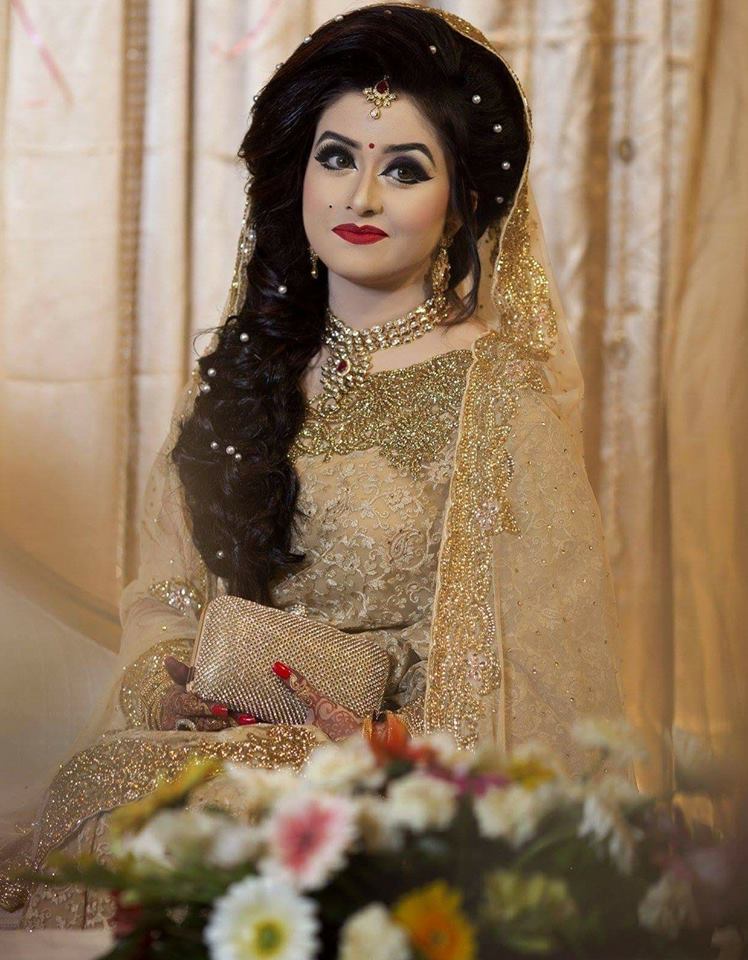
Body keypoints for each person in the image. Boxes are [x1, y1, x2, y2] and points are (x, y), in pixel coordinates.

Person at [0, 2, 624, 928]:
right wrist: (170, 687)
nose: (360, 197)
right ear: (299, 171)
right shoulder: (240, 376)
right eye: (337, 157)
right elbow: (166, 594)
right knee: (107, 804)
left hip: (386, 780)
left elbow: (537, 674)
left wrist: (382, 741)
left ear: (462, 202)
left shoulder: (501, 401)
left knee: (227, 835)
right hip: (210, 750)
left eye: (403, 169)